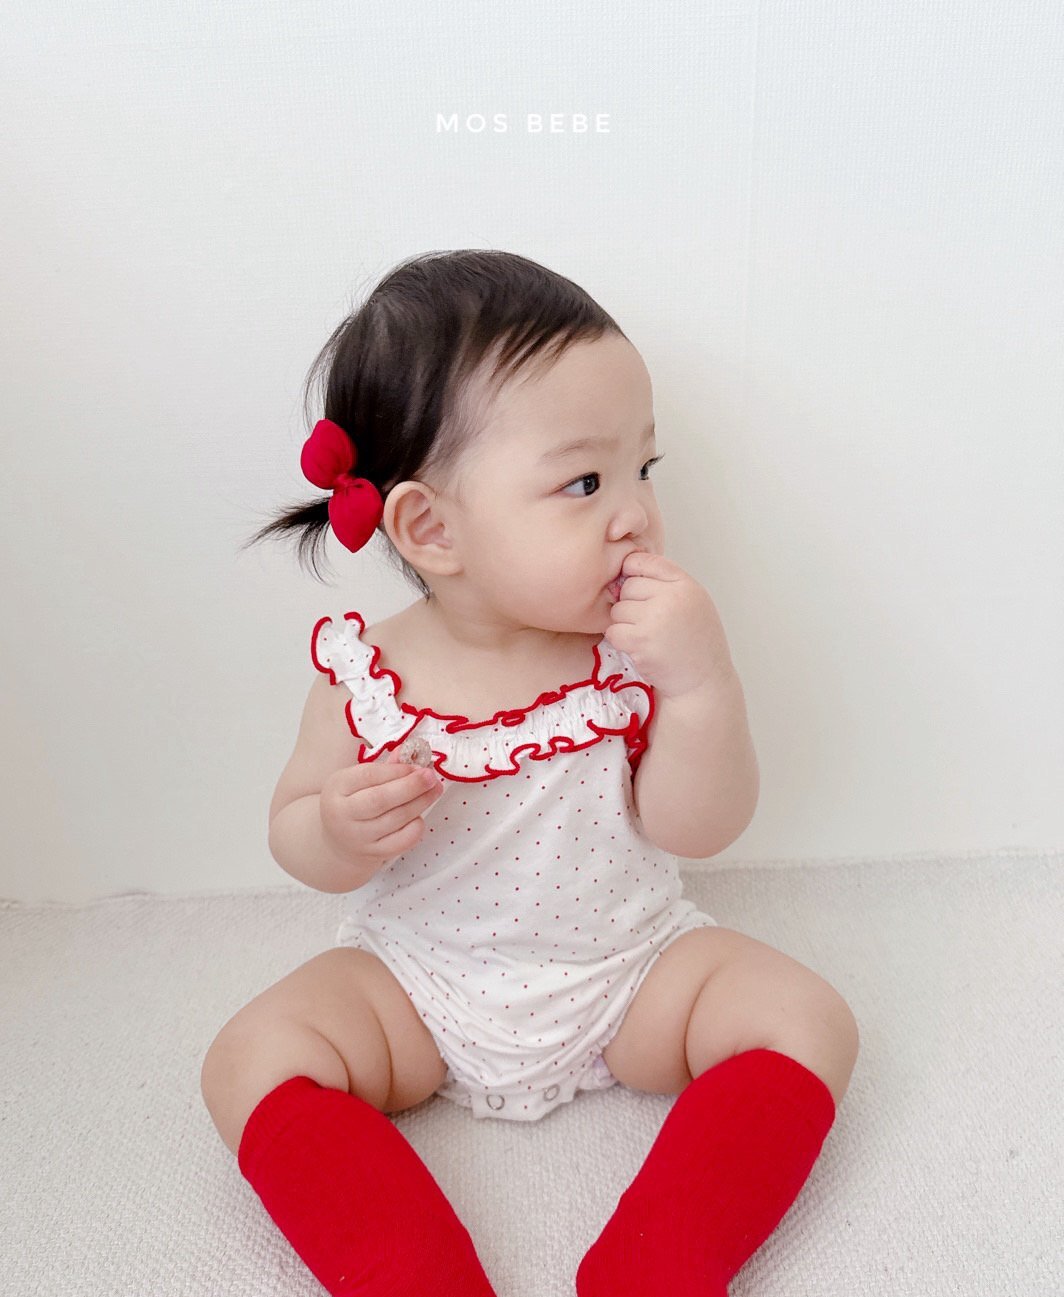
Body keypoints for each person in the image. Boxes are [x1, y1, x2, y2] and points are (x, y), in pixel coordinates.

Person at [200, 249, 860, 1296]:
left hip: (630, 972)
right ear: (431, 528)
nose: (634, 513)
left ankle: (664, 1260)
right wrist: (334, 825)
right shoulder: (370, 676)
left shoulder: (630, 655)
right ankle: (403, 1270)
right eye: (585, 482)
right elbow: (294, 832)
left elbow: (697, 827)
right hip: (418, 984)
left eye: (645, 469)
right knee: (249, 1055)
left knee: (808, 1018)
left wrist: (701, 685)